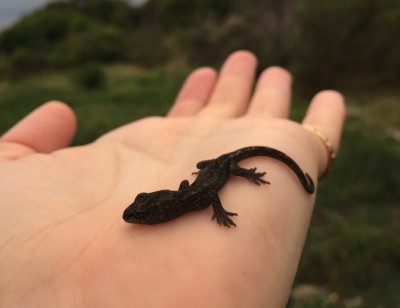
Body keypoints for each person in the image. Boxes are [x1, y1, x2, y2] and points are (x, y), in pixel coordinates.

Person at [0, 51, 345, 307]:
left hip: (223, 165)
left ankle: (247, 170)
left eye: (142, 213)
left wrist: (231, 191)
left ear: (161, 213)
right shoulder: (183, 199)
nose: (136, 215)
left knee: (219, 172)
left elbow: (208, 195)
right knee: (208, 171)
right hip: (215, 167)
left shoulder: (193, 200)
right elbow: (192, 190)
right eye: (142, 211)